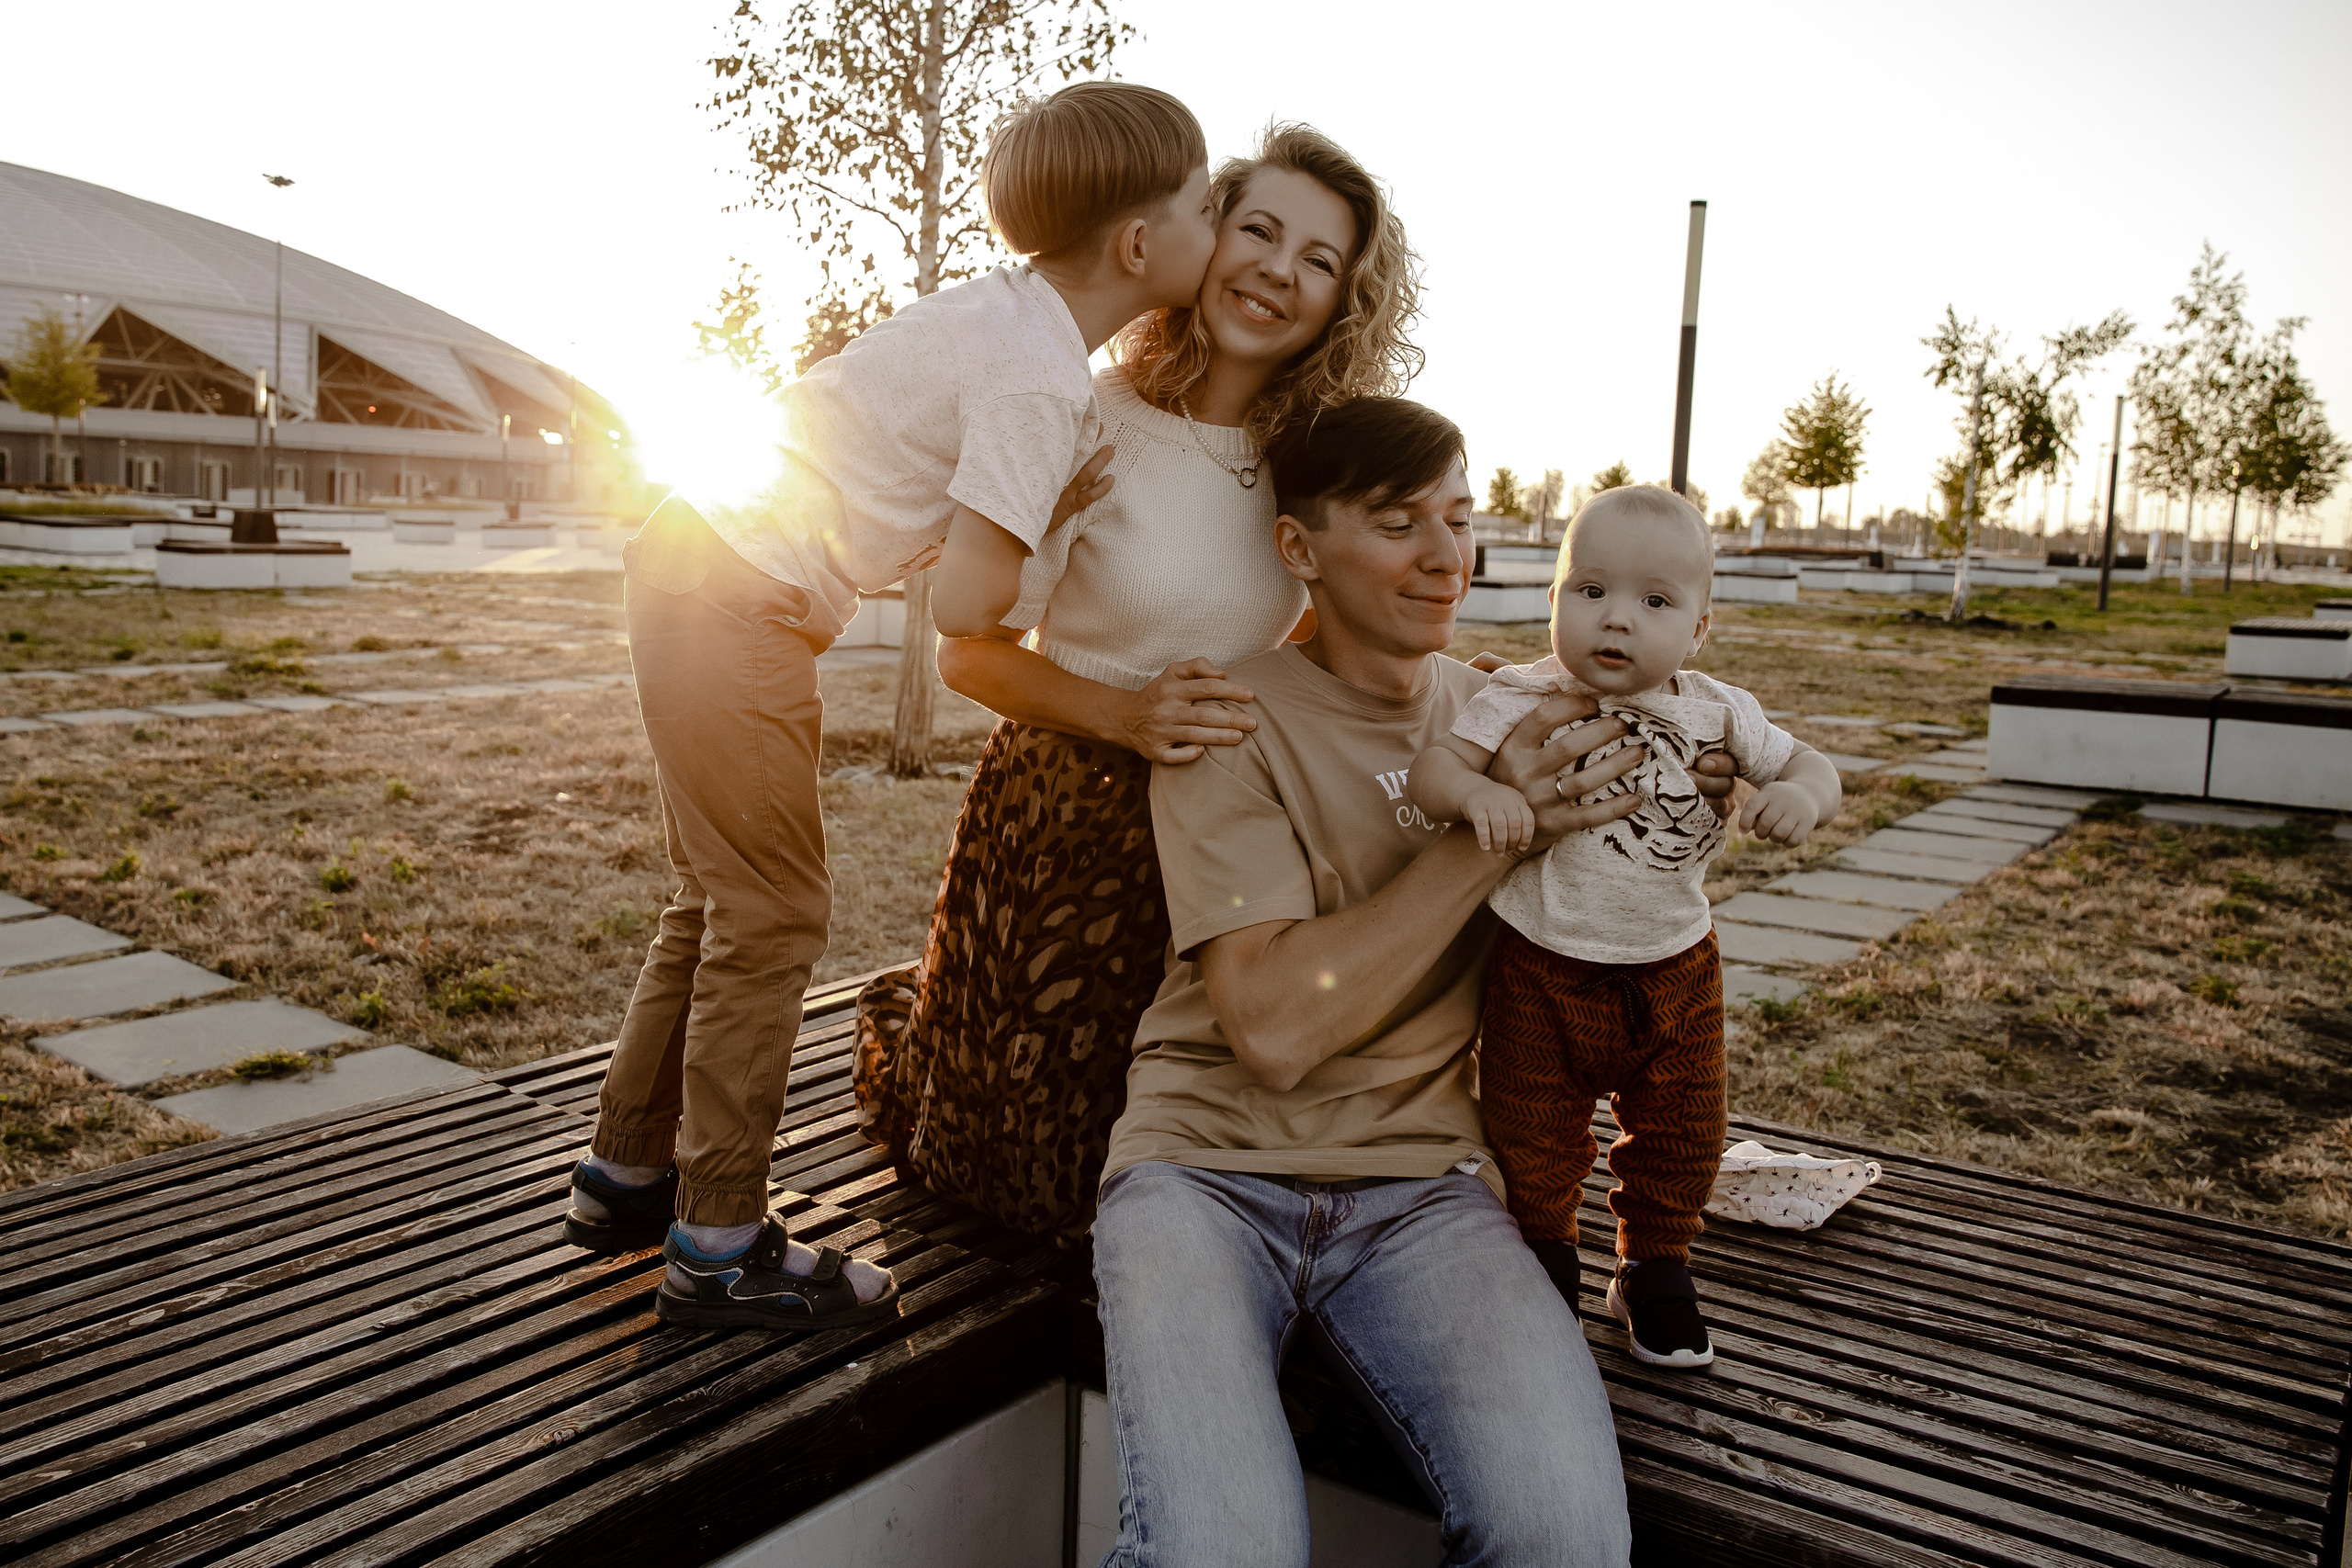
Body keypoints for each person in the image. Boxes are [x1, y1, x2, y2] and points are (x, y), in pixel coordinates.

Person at [563, 81, 1219, 1332]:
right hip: (741, 600)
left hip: (693, 561)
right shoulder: (1047, 388)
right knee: (775, 911)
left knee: (714, 894)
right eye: (1200, 205)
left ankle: (625, 1172)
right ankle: (717, 1238)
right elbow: (973, 606)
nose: (1213, 222)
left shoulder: (997, 310)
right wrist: (1065, 509)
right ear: (1140, 246)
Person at [1092, 398, 1732, 1566]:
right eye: (1397, 523)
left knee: (1565, 1540)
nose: (1446, 558)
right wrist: (1490, 839)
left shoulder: (1514, 717)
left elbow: (1643, 879)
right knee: (1222, 1554)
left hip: (1426, 1188)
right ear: (1301, 550)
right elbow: (1274, 1032)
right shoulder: (1229, 716)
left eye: (1457, 515)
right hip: (1204, 1175)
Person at [854, 124, 1422, 1242]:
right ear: (1201, 237)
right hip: (1062, 819)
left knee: (1187, 1176)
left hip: (1224, 838)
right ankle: (912, 1024)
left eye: (1319, 258)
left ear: (1344, 299)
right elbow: (962, 649)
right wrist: (1126, 712)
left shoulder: (1316, 464)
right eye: (1256, 228)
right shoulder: (1081, 410)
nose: (1277, 268)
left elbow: (1357, 628)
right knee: (1026, 1192)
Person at [1408, 485, 1842, 1368]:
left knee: (1684, 1129)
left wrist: (1798, 792)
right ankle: (1544, 1251)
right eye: (1590, 590)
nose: (1616, 620)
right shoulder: (1522, 693)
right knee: (1533, 1128)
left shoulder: (1718, 710)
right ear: (1557, 597)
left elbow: (1808, 760)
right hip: (1541, 962)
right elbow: (1433, 770)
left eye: (1654, 602)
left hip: (1673, 967)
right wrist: (1479, 790)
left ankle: (1654, 1263)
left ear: (1699, 629)